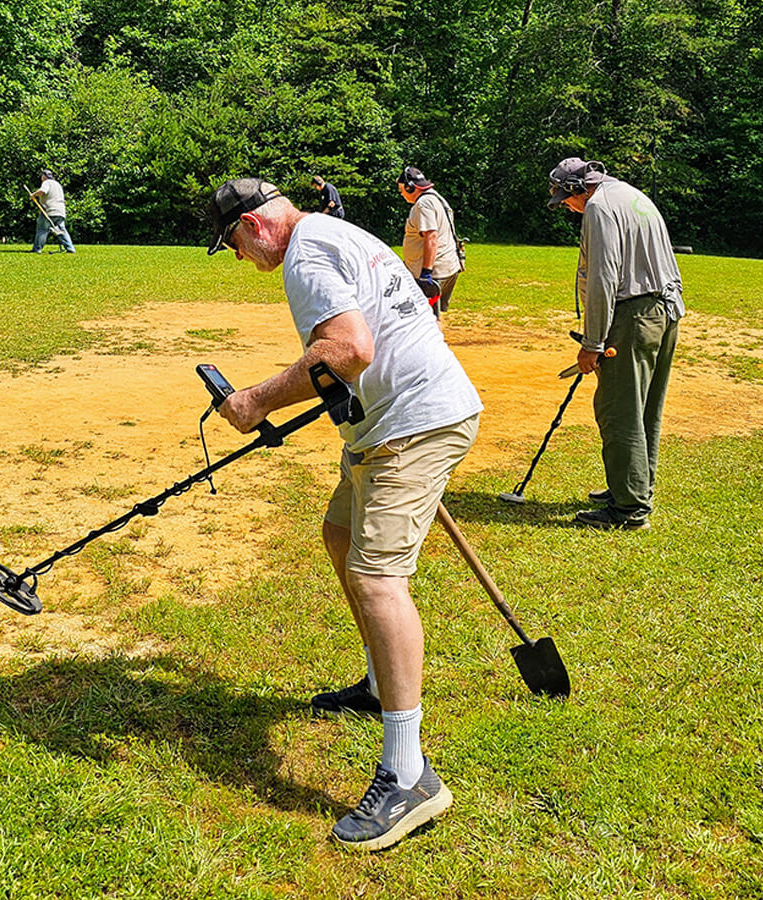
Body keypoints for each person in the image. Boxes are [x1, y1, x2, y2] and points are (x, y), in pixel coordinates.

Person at [206, 178, 482, 851]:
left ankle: (409, 774)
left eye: (232, 243)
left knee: (378, 578)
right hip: (386, 424)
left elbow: (350, 349)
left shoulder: (303, 254)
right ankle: (376, 679)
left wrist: (256, 402)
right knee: (339, 535)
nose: (240, 258)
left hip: (413, 425)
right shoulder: (336, 230)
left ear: (253, 224)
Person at [547, 157, 684, 531]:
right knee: (644, 409)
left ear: (578, 189)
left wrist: (592, 343)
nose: (568, 208)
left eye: (566, 199)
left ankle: (628, 509)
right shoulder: (629, 194)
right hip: (665, 310)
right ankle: (633, 487)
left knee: (618, 409)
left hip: (635, 315)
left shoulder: (599, 207)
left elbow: (603, 279)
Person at [396, 167, 463, 323]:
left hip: (433, 273)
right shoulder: (436, 198)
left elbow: (431, 237)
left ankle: (432, 347)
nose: (401, 194)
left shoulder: (423, 204)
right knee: (431, 317)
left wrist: (426, 274)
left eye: (401, 190)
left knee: (427, 321)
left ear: (409, 187)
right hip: (447, 267)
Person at [30, 169, 75, 253]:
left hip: (49, 211)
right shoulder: (57, 184)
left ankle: (37, 249)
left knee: (42, 229)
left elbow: (42, 191)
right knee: (61, 229)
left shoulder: (47, 183)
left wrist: (33, 195)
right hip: (60, 210)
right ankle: (70, 248)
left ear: (44, 176)